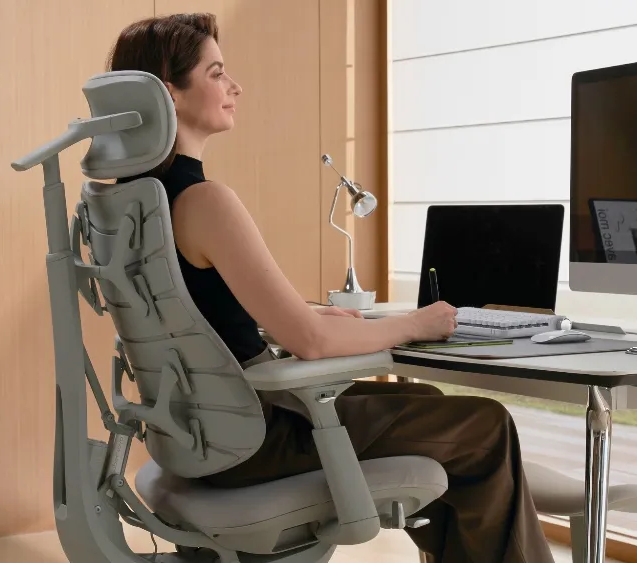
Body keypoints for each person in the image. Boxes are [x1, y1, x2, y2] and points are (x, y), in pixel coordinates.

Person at [108, 13, 555, 563]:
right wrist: (418, 323)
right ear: (167, 93)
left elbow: (201, 314)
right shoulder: (203, 202)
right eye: (217, 72)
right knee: (486, 427)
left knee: (424, 402)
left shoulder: (136, 205)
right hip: (255, 438)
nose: (235, 87)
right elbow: (311, 345)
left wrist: (306, 312)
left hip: (196, 432)